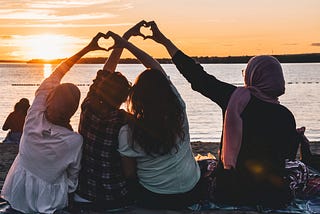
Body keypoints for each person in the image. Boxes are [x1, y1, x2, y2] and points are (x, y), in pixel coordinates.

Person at [145, 21, 300, 208]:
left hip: (229, 191)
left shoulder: (233, 99)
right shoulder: (285, 116)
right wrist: (295, 137)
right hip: (269, 194)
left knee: (204, 167)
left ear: (253, 75)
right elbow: (287, 155)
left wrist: (164, 41)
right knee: (298, 169)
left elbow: (196, 76)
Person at [0, 33, 108, 214]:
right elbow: (73, 179)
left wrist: (87, 48)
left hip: (19, 193)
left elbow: (58, 73)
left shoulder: (34, 116)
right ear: (73, 111)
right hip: (49, 200)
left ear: (48, 100)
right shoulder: (74, 140)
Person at [105, 30, 206, 210]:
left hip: (154, 198)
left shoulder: (129, 130)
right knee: (205, 164)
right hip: (192, 193)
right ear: (166, 92)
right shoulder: (179, 112)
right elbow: (157, 69)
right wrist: (127, 44)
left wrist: (124, 42)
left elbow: (130, 175)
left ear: (136, 96)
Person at [74, 21, 146, 210]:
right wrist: (126, 39)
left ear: (100, 91)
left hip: (84, 194)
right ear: (123, 98)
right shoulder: (123, 122)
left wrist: (124, 39)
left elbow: (106, 71)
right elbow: (129, 173)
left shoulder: (87, 106)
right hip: (113, 197)